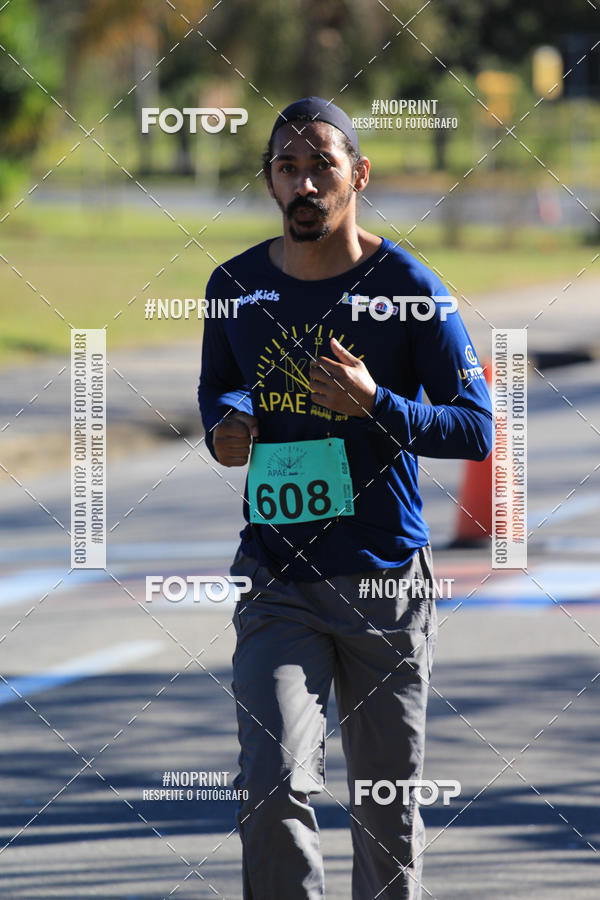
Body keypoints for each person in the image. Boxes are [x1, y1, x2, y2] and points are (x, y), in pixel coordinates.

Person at [198, 96, 493, 900]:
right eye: (287, 168)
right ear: (269, 182)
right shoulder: (235, 287)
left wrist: (377, 404)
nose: (304, 184)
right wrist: (226, 428)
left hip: (383, 583)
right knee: (272, 784)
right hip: (275, 580)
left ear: (358, 175)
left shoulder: (409, 288)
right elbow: (219, 389)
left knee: (385, 812)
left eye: (320, 166)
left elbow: (476, 429)